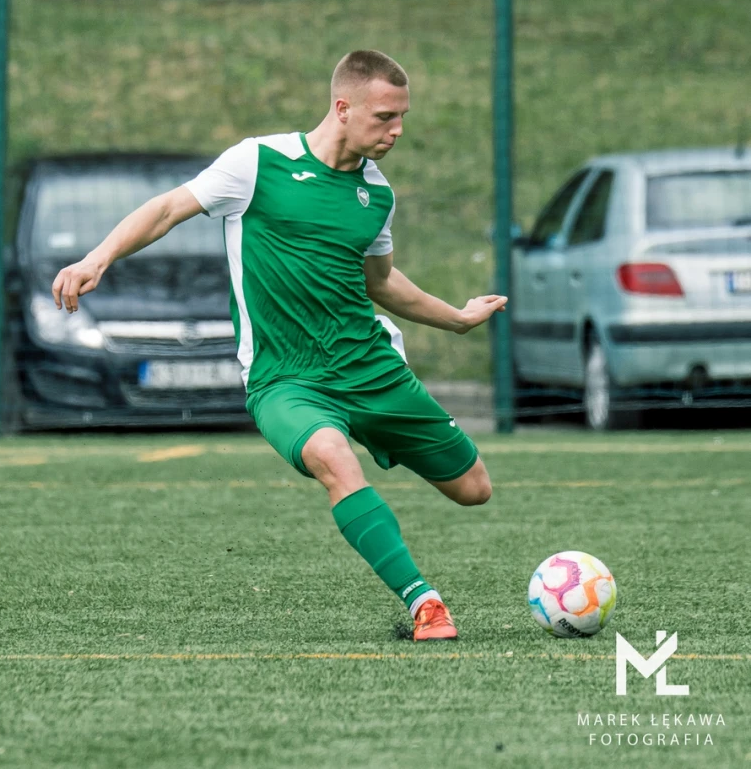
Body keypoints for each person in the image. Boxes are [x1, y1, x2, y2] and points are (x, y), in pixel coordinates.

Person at [51, 50, 506, 641]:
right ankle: (425, 604)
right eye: (384, 116)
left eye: (402, 117)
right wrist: (97, 258)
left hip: (370, 368)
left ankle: (374, 431)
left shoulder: (375, 194)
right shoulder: (258, 163)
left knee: (474, 489)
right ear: (342, 108)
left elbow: (381, 282)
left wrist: (457, 319)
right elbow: (167, 209)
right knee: (333, 459)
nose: (397, 130)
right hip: (285, 378)